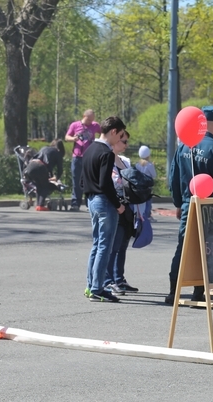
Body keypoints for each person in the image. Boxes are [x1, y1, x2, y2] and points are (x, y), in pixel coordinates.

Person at [166, 105, 213, 305]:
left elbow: (174, 179)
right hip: (210, 207)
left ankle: (173, 290)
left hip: (188, 203)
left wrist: (179, 203)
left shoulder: (184, 146)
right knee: (207, 249)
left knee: (184, 247)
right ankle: (198, 291)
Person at [82, 116, 127, 303]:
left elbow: (81, 179)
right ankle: (97, 288)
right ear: (113, 131)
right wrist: (118, 204)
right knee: (104, 246)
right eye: (121, 135)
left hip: (92, 199)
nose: (121, 140)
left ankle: (91, 285)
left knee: (96, 244)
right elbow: (105, 183)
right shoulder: (107, 152)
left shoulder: (90, 148)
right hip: (104, 200)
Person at [105, 130, 134, 296]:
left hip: (127, 207)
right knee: (113, 246)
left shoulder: (124, 161)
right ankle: (109, 280)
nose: (126, 145)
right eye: (123, 141)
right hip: (115, 206)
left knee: (122, 244)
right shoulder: (107, 158)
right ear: (115, 140)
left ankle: (119, 278)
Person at [65, 109, 100, 211]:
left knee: (90, 181)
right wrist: (74, 139)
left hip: (90, 157)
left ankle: (90, 204)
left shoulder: (95, 125)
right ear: (84, 116)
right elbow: (67, 137)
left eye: (92, 120)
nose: (90, 122)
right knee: (76, 181)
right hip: (77, 157)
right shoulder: (75, 125)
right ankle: (75, 203)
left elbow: (104, 134)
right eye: (89, 120)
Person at [24, 139, 65, 211]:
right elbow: (60, 169)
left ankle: (38, 205)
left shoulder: (44, 148)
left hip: (31, 166)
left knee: (38, 185)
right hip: (40, 167)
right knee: (45, 186)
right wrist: (56, 177)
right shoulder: (58, 153)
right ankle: (41, 205)